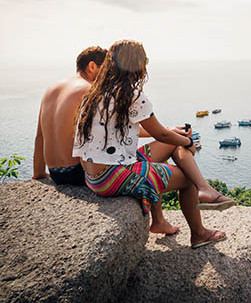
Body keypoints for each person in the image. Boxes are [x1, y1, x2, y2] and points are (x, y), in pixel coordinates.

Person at [73, 40, 233, 248]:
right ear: (138, 65)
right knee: (186, 178)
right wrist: (186, 140)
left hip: (94, 176)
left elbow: (131, 131)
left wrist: (171, 134)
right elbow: (162, 135)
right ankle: (199, 232)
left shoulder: (95, 94)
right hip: (112, 176)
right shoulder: (131, 95)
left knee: (172, 145)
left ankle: (162, 219)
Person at [33, 46, 107, 185]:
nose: (108, 76)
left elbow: (40, 136)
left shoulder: (51, 89)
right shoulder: (89, 89)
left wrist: (39, 173)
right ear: (92, 66)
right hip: (79, 173)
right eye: (106, 69)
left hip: (56, 174)